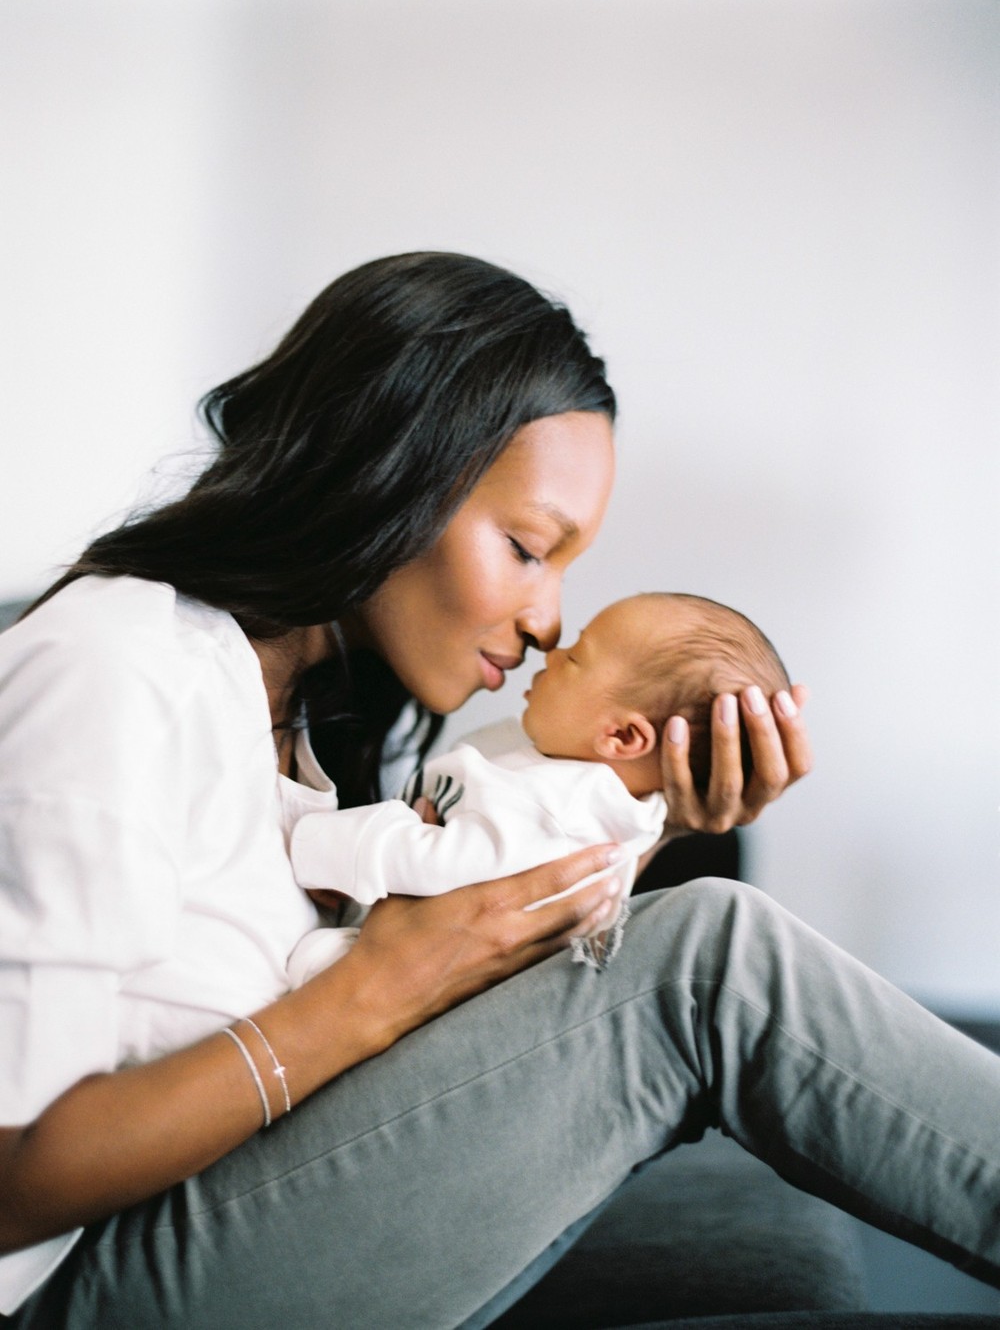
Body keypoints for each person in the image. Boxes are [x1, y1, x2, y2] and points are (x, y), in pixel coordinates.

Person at [0, 252, 996, 1330]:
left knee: (698, 946)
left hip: (208, 1202)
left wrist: (642, 809)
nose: (548, 621)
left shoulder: (302, 711)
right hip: (71, 1286)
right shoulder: (115, 670)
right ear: (386, 472)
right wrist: (371, 993)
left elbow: (463, 936)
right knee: (710, 963)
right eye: (527, 548)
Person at [286, 591, 790, 981]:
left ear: (620, 735)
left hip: (379, 959)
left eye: (575, 659)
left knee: (308, 959)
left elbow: (439, 861)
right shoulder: (559, 769)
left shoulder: (557, 812)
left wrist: (326, 847)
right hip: (381, 918)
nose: (551, 650)